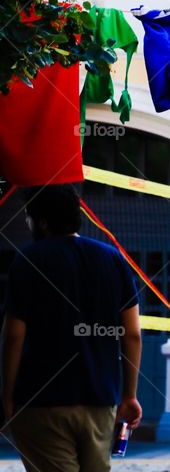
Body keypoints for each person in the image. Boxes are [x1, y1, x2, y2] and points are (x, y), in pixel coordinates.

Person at [1, 184, 142, 472]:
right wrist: (129, 395)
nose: (27, 224)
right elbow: (132, 333)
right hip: (100, 401)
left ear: (41, 220)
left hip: (41, 401)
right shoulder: (113, 258)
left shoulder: (28, 260)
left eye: (28, 216)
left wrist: (7, 395)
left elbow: (14, 335)